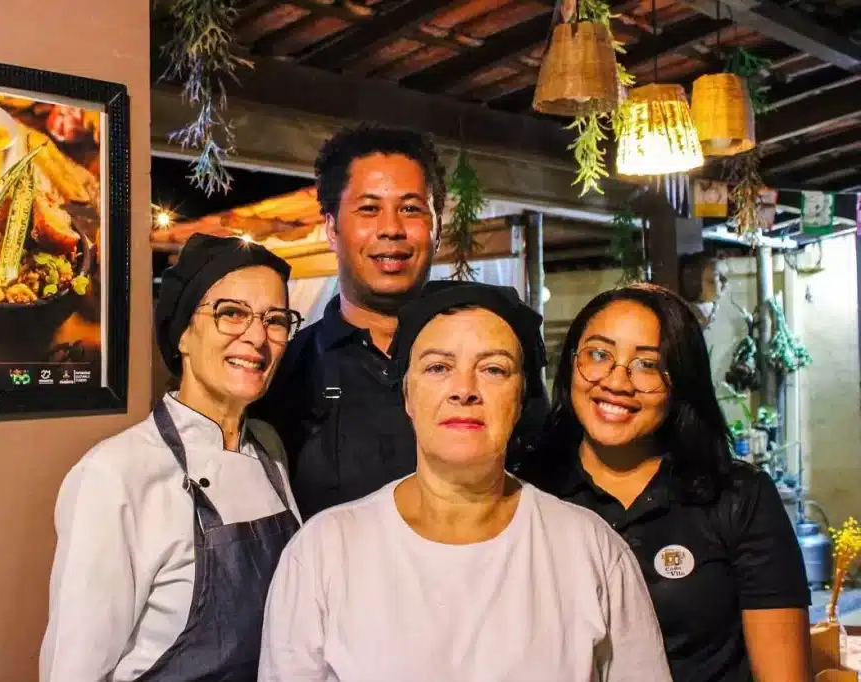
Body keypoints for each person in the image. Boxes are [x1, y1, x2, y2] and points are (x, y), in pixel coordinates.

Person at [258, 281, 673, 682]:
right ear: (407, 395)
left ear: (520, 398)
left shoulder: (591, 550)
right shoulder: (323, 553)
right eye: (438, 367)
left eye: (493, 369)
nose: (464, 390)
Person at [40, 234, 303, 682]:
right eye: (232, 313)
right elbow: (73, 672)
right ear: (182, 333)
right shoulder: (116, 475)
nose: (257, 336)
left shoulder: (270, 451)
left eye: (275, 320)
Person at [521, 283, 811, 682]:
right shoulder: (527, 492)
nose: (617, 382)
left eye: (648, 364)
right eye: (599, 354)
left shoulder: (737, 496)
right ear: (571, 364)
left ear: (681, 383)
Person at [249, 124, 445, 520]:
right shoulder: (283, 372)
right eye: (369, 209)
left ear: (437, 227)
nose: (391, 228)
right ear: (331, 229)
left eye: (411, 208)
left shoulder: (487, 362)